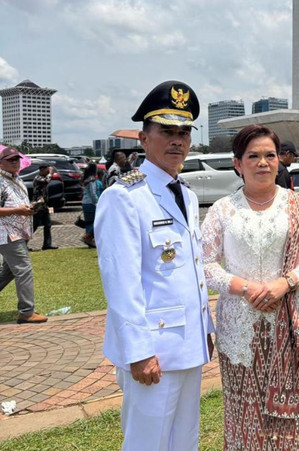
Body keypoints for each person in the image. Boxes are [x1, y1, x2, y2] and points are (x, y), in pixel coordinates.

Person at [95, 80, 215, 450]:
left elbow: (189, 271)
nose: (177, 140)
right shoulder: (124, 198)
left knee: (185, 440)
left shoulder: (188, 196)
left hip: (188, 342)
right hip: (153, 349)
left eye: (183, 132)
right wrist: (138, 351)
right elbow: (121, 283)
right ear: (144, 138)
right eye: (166, 131)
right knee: (148, 442)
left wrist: (204, 326)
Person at [201, 124, 299, 450]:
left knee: (290, 422)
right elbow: (204, 265)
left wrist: (284, 284)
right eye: (253, 156)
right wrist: (245, 288)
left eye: (269, 155)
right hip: (239, 329)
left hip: (290, 323)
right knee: (245, 415)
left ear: (278, 161)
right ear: (237, 163)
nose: (262, 163)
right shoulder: (223, 210)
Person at [0, 145, 47, 324]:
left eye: (17, 159)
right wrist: (18, 210)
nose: (15, 162)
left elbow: (18, 203)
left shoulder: (16, 178)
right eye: (10, 160)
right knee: (24, 270)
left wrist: (29, 208)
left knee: (8, 272)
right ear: (1, 163)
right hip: (6, 233)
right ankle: (27, 312)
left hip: (18, 232)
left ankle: (26, 311)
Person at [32, 164, 58, 250]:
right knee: (34, 225)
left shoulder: (43, 177)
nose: (48, 173)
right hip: (38, 205)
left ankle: (47, 244)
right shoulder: (38, 178)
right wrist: (50, 173)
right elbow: (46, 181)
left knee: (47, 225)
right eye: (46, 171)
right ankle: (24, 242)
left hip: (44, 205)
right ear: (42, 170)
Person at [81, 163, 100, 248]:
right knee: (96, 222)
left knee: (89, 222)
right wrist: (97, 203)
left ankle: (89, 240)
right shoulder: (92, 180)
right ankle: (88, 237)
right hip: (91, 203)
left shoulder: (86, 179)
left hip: (85, 202)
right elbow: (93, 193)